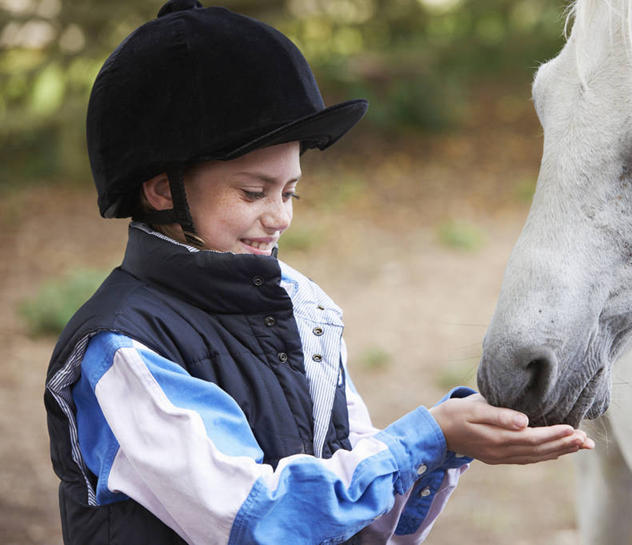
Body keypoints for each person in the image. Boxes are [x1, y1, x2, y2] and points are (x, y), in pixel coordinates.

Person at [43, 1, 594, 544]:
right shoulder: (122, 351)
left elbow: (358, 520)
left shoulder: (304, 307)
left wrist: (452, 440)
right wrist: (426, 438)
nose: (280, 217)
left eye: (290, 192)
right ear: (164, 190)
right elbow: (256, 522)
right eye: (253, 192)